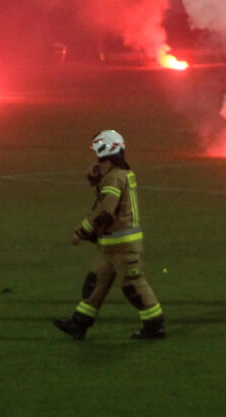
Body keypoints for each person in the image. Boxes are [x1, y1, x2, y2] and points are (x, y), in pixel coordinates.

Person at [54, 129, 166, 341]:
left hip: (123, 244)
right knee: (95, 283)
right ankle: (79, 324)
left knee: (133, 285)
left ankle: (154, 325)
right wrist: (97, 180)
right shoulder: (117, 173)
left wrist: (83, 232)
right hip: (112, 244)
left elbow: (105, 211)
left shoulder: (114, 177)